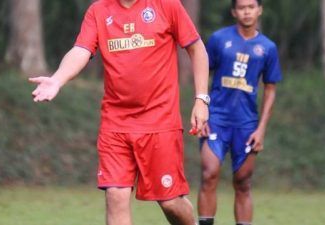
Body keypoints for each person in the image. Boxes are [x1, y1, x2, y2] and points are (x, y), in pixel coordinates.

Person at [29, 0, 210, 225]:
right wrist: (57, 79)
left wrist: (201, 99)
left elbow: (196, 48)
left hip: (160, 120)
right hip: (115, 122)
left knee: (171, 202)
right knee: (115, 194)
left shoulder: (166, 5)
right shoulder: (98, 10)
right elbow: (81, 50)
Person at [196, 0, 282, 225]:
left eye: (251, 7)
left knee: (243, 182)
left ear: (259, 10)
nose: (247, 11)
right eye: (242, 7)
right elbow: (203, 72)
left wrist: (261, 130)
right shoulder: (218, 39)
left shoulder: (268, 48)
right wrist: (202, 109)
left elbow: (270, 90)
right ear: (234, 12)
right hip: (216, 119)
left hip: (246, 124)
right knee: (209, 173)